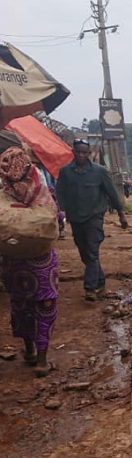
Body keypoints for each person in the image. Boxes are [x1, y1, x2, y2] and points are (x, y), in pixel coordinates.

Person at [0, 147, 60, 377]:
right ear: (27, 167)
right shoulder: (40, 191)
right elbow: (54, 219)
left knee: (21, 306)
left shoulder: (4, 195)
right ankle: (43, 361)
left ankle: (29, 351)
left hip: (13, 263)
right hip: (41, 262)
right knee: (45, 307)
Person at [56, 139, 127, 301]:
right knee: (85, 254)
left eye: (84, 152)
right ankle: (101, 282)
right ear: (73, 152)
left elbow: (112, 193)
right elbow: (60, 193)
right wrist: (60, 213)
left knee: (92, 251)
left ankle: (90, 288)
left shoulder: (99, 171)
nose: (81, 155)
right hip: (75, 218)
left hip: (94, 217)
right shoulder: (65, 172)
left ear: (89, 154)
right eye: (78, 152)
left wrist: (121, 213)